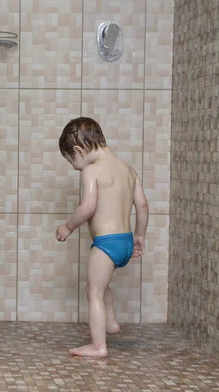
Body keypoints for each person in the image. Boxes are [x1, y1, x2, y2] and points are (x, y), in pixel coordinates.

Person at [55, 117, 149, 358]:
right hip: (126, 241)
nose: (74, 167)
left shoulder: (91, 170)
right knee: (101, 284)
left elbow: (88, 207)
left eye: (71, 161)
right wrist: (140, 235)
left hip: (106, 244)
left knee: (94, 292)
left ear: (78, 150)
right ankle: (111, 323)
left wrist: (68, 226)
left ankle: (98, 346)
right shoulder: (129, 169)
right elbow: (143, 205)